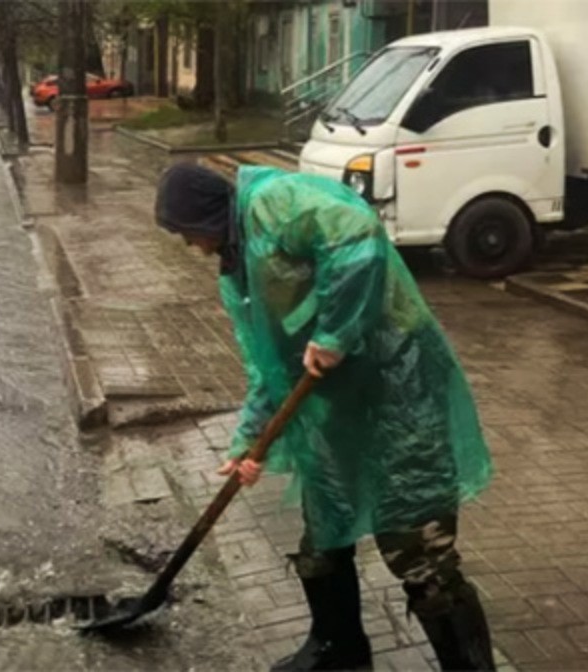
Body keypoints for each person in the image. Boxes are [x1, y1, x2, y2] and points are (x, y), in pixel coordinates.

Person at [154, 163, 496, 671]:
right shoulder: (237, 272)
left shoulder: (272, 204)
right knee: (325, 528)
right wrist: (247, 444)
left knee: (418, 549)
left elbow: (356, 235)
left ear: (209, 215)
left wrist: (335, 333)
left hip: (397, 391)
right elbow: (265, 368)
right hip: (337, 405)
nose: (194, 248)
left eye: (189, 234)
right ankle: (339, 649)